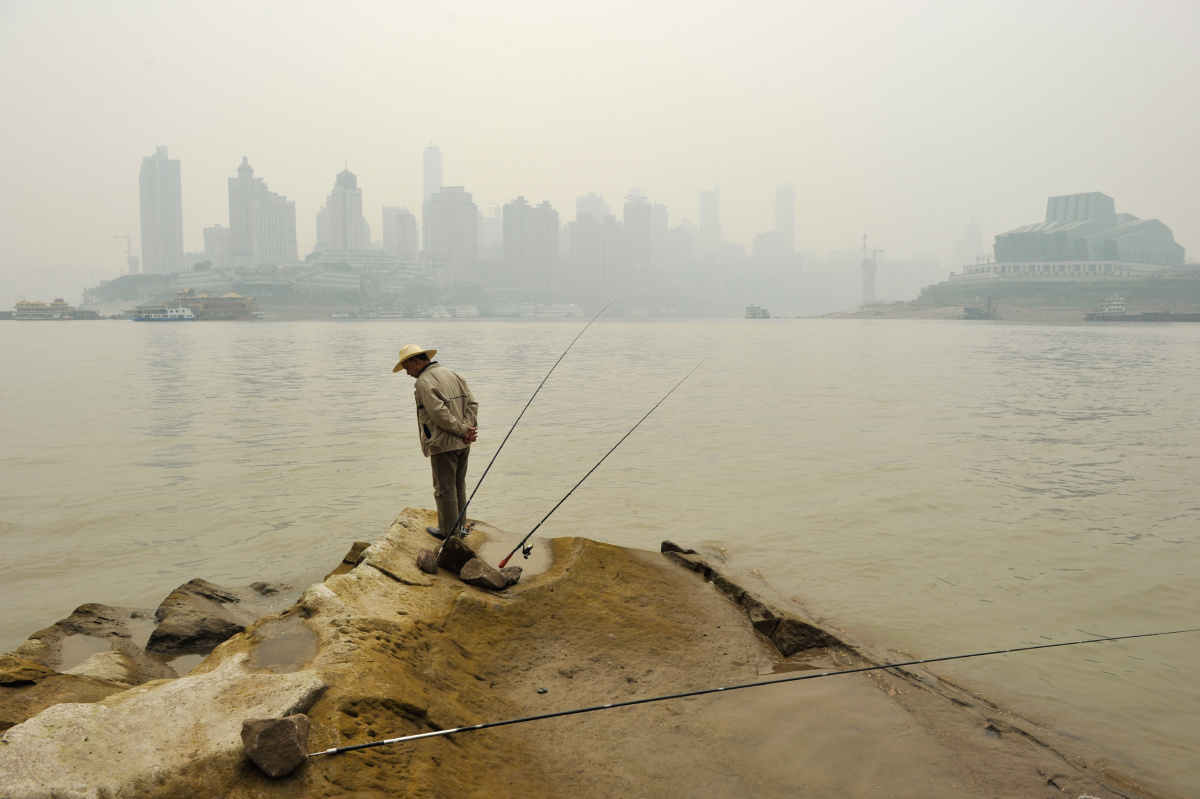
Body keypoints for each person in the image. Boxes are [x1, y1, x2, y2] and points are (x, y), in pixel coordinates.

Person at [393, 344, 479, 540]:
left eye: (407, 368)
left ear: (416, 361)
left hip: (444, 444)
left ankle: (450, 535)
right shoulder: (453, 374)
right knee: (459, 486)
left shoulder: (424, 381)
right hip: (463, 443)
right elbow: (472, 403)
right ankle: (459, 530)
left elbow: (439, 414)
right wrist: (467, 428)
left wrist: (463, 430)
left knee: (444, 490)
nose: (407, 374)